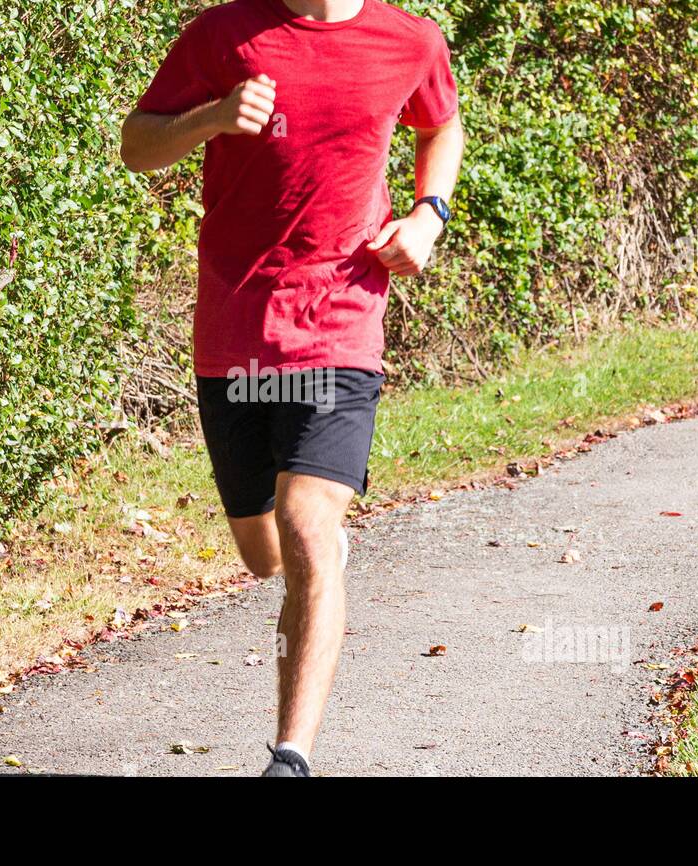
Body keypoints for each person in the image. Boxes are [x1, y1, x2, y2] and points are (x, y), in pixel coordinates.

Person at [121, 0, 463, 776]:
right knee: (264, 555)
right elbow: (136, 146)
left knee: (306, 521)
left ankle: (290, 757)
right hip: (235, 331)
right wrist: (211, 116)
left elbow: (440, 124)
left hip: (340, 318)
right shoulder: (222, 34)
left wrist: (427, 214)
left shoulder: (407, 38)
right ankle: (319, 557)